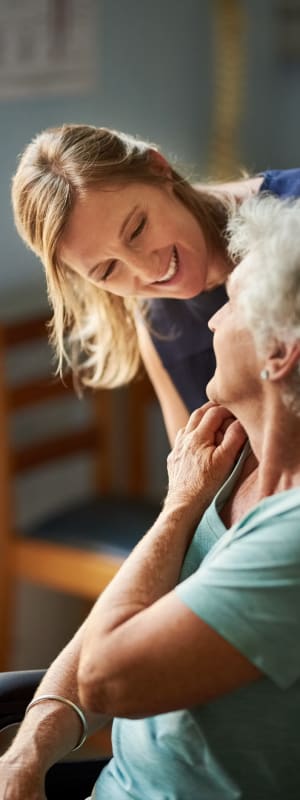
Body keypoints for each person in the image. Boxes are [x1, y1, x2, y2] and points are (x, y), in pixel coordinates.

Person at [1, 193, 300, 799]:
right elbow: (124, 619)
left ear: (279, 352)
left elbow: (108, 678)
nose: (209, 319)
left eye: (233, 304)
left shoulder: (287, 534)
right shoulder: (225, 456)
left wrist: (176, 508)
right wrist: (28, 752)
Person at [11, 124, 300, 443]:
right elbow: (193, 473)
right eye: (107, 270)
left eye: (136, 229)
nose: (148, 269)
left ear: (158, 169)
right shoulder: (157, 326)